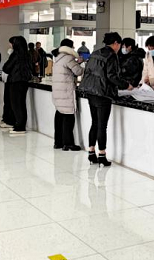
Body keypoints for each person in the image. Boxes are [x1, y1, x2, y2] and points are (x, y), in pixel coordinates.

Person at [79, 32, 133, 166]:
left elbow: (88, 71)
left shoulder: (95, 53)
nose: (120, 48)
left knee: (95, 123)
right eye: (119, 45)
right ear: (115, 43)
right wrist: (126, 85)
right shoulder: (111, 56)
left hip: (91, 92)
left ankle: (91, 153)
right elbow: (112, 76)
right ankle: (102, 156)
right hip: (103, 94)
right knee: (102, 126)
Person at [52, 38, 84, 151]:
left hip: (58, 91)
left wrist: (76, 62)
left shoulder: (58, 58)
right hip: (66, 91)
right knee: (68, 117)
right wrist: (80, 63)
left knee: (59, 115)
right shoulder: (68, 58)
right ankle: (68, 143)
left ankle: (58, 142)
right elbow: (78, 71)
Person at [2, 36, 33, 135]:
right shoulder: (27, 55)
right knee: (21, 104)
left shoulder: (15, 54)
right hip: (24, 82)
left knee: (16, 105)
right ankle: (20, 124)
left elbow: (6, 68)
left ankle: (20, 127)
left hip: (15, 82)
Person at [0, 37, 19, 129]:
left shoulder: (16, 55)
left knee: (10, 102)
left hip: (12, 81)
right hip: (10, 81)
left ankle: (10, 121)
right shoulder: (16, 54)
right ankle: (6, 119)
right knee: (8, 101)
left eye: (11, 43)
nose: (9, 45)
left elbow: (6, 67)